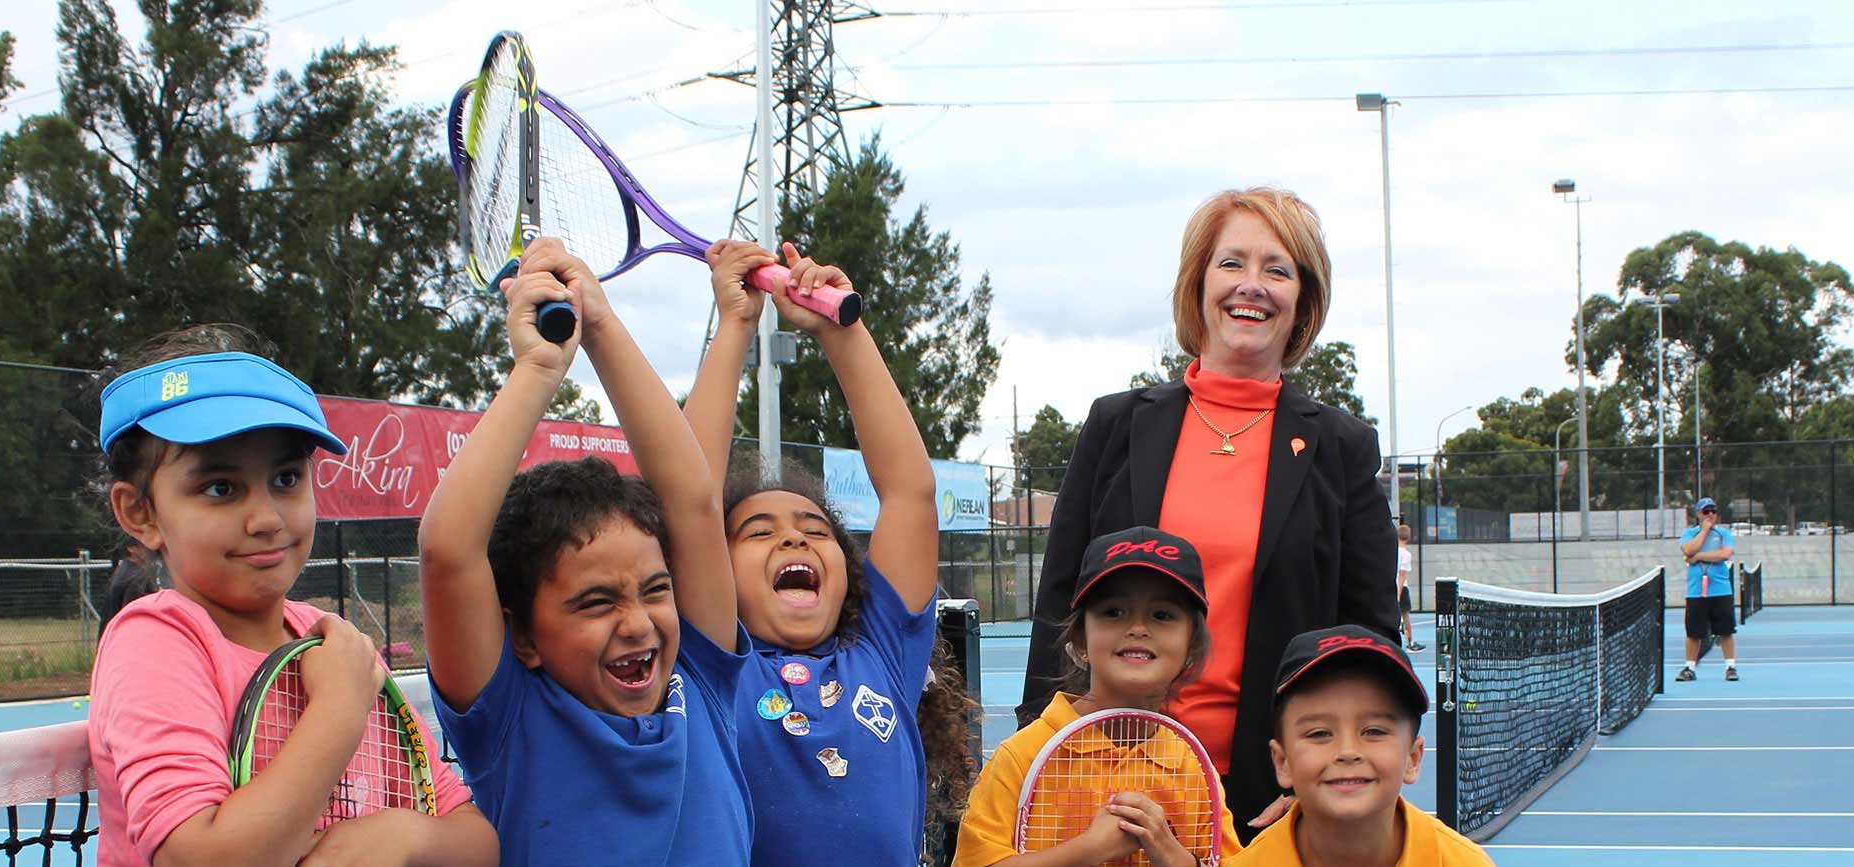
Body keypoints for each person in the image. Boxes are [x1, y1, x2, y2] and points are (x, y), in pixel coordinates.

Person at [1020, 187, 1397, 837]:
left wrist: (1323, 777)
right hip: (1109, 776)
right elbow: (1060, 603)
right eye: (1232, 264)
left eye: (1277, 269)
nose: (1252, 286)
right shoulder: (1115, 425)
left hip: (1263, 795)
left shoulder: (1342, 447)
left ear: (1303, 300)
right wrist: (1040, 757)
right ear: (1198, 284)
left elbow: (1369, 638)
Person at [86, 325, 494, 867]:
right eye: (220, 488)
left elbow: (477, 842)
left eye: (285, 478)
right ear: (140, 513)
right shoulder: (156, 642)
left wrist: (405, 838)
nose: (266, 519)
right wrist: (340, 707)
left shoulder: (337, 648)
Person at [418, 240, 751, 865]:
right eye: (596, 603)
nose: (637, 621)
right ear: (525, 639)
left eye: (656, 590)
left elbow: (693, 503)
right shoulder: (510, 721)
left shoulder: (701, 680)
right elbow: (447, 549)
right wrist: (538, 371)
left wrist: (599, 322)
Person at [685, 240, 973, 865]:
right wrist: (737, 323)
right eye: (757, 532)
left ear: (848, 572)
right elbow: (688, 503)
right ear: (715, 569)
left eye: (816, 531)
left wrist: (844, 334)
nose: (793, 538)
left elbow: (909, 492)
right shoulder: (712, 668)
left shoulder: (883, 654)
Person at [960, 527, 1239, 866]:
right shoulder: (1022, 757)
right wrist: (1090, 850)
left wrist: (1173, 855)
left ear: (1190, 650)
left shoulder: (1194, 769)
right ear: (1079, 642)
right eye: (1113, 612)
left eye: (1162, 615)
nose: (1138, 627)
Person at [1226, 624, 1492, 867]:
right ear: (1282, 762)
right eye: (1319, 733)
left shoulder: (1462, 861)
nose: (1348, 751)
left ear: (1412, 759)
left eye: (1374, 731)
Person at [1677, 497, 1737, 682]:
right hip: (1696, 592)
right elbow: (1688, 550)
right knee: (1693, 633)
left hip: (1721, 590)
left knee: (1725, 631)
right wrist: (1703, 531)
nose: (1710, 515)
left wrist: (1699, 556)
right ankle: (1690, 668)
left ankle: (1731, 667)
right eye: (1706, 511)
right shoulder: (1690, 533)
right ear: (1699, 514)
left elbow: (1725, 554)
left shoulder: (1723, 534)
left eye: (1713, 511)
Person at [1394, 522, 1423, 652]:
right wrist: (1398, 594)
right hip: (1400, 588)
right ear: (1408, 537)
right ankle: (1410, 642)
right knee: (1405, 616)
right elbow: (1402, 575)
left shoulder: (1391, 550)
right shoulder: (1406, 554)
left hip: (1389, 586)